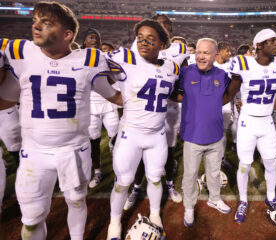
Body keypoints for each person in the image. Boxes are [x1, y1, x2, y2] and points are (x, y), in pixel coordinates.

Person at [0, 2, 122, 240]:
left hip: (74, 150)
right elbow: (6, 99)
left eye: (46, 22)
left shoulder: (90, 60)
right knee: (32, 219)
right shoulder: (21, 54)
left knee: (76, 201)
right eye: (35, 20)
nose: (36, 25)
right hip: (34, 152)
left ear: (67, 35)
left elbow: (113, 95)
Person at [106, 19, 177, 239]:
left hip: (157, 135)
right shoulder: (125, 59)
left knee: (155, 177)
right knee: (123, 182)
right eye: (140, 38)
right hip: (131, 134)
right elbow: (97, 74)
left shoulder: (172, 67)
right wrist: (115, 97)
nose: (143, 42)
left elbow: (171, 94)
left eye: (150, 39)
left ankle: (155, 214)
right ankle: (115, 222)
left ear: (162, 45)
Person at [172, 38, 241, 227]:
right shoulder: (185, 73)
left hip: (216, 135)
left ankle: (214, 198)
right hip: (193, 135)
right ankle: (189, 206)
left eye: (206, 53)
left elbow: (227, 95)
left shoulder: (221, 74)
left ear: (215, 55)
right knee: (190, 174)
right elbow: (173, 93)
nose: (201, 56)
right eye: (199, 52)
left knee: (214, 171)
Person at [124, 14, 189, 210]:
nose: (162, 27)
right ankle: (136, 187)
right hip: (143, 108)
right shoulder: (137, 48)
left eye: (165, 25)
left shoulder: (179, 49)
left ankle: (169, 183)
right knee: (139, 151)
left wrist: (177, 94)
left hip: (169, 109)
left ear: (169, 29)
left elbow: (183, 76)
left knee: (168, 150)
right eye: (158, 24)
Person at [232, 29, 276, 223]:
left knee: (271, 161)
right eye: (271, 41)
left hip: (267, 121)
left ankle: (271, 196)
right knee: (245, 164)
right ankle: (243, 201)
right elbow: (230, 91)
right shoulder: (242, 63)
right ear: (258, 45)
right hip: (248, 121)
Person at [83, 28, 120, 189]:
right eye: (91, 38)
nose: (95, 40)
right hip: (90, 106)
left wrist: (103, 84)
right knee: (94, 143)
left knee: (117, 141)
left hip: (108, 104)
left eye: (97, 38)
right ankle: (98, 171)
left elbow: (115, 78)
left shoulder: (106, 58)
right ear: (84, 41)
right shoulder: (78, 58)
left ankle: (119, 171)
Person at [214, 41, 233, 169]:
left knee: (223, 133)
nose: (230, 53)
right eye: (227, 50)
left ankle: (221, 158)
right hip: (211, 105)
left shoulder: (231, 66)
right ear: (220, 51)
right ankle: (212, 159)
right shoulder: (210, 65)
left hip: (225, 105)